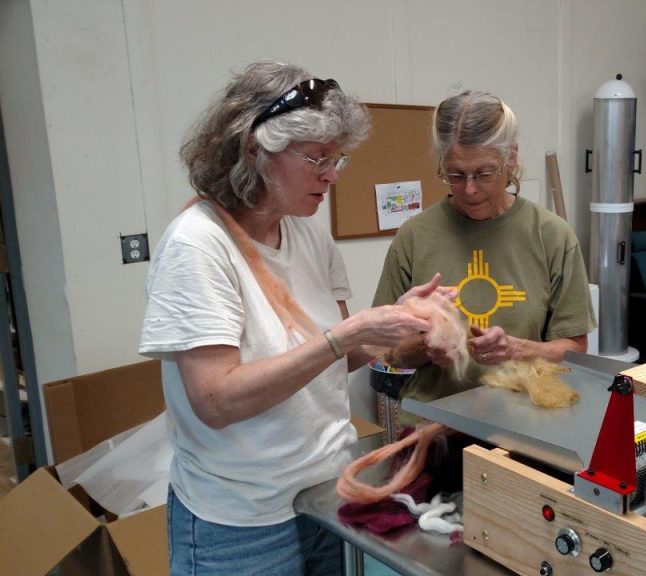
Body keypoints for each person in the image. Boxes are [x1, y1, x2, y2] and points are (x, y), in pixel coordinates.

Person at [138, 61, 444, 576]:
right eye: (316, 158)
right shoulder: (197, 245)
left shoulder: (307, 234)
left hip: (327, 492)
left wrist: (406, 323)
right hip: (241, 522)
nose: (333, 173)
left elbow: (346, 357)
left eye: (338, 157)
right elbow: (215, 401)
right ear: (255, 151)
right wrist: (344, 335)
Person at [373, 90, 596, 416]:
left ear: (512, 158)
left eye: (484, 173)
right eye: (456, 174)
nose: (470, 189)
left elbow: (574, 349)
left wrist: (515, 348)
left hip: (527, 424)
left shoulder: (551, 236)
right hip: (433, 427)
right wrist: (426, 347)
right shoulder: (414, 237)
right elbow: (385, 352)